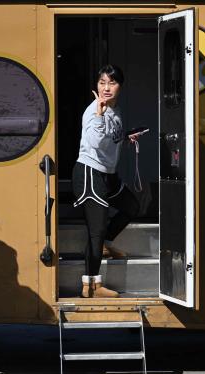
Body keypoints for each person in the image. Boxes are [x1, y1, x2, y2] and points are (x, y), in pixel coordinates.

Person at [72, 64, 141, 298]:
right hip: (90, 173)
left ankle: (106, 243)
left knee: (132, 206)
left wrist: (125, 137)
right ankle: (91, 285)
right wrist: (100, 114)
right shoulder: (94, 111)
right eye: (102, 82)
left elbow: (110, 139)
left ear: (120, 86)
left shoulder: (116, 110)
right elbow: (94, 141)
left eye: (112, 83)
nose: (106, 87)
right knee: (96, 230)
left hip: (108, 175)